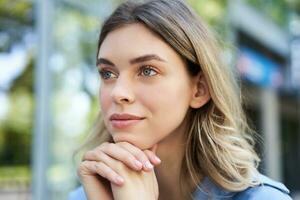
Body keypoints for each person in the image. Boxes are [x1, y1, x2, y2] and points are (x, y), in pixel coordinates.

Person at [69, 0, 292, 199]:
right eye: (107, 73)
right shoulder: (87, 195)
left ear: (199, 90)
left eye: (147, 71)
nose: (118, 92)